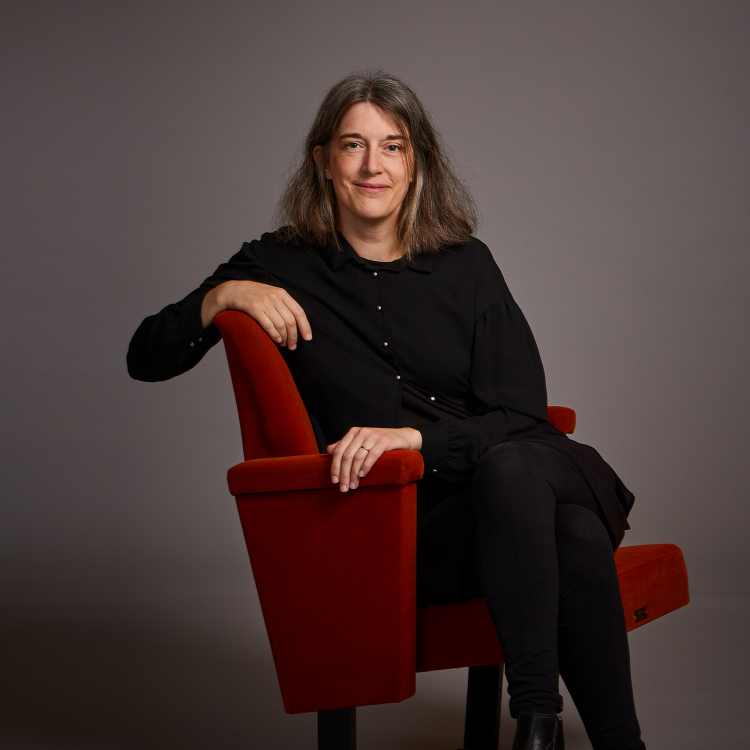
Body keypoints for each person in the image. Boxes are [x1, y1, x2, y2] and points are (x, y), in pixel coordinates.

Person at [127, 71, 645, 750]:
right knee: (572, 535)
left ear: (417, 163)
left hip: (520, 476)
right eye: (353, 145)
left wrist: (416, 440)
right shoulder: (278, 264)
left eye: (393, 146)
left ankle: (537, 724)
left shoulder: (467, 265)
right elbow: (145, 355)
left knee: (514, 467)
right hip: (419, 531)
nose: (373, 165)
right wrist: (220, 297)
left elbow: (521, 417)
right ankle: (588, 739)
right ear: (323, 160)